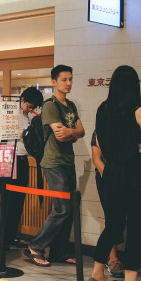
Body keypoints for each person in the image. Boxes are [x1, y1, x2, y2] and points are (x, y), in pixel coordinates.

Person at [89, 65, 141, 281]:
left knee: (113, 225)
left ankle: (97, 273)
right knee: (136, 228)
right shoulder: (139, 111)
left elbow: (100, 141)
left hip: (110, 173)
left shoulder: (101, 109)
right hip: (133, 174)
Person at [25, 65, 85, 266]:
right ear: (54, 82)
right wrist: (73, 131)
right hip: (53, 162)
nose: (68, 83)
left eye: (70, 79)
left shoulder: (71, 106)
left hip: (68, 161)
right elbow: (60, 134)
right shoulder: (50, 105)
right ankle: (36, 246)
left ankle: (58, 252)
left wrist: (73, 132)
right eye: (64, 80)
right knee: (62, 209)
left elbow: (81, 130)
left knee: (70, 208)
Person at [0, 87, 43, 249]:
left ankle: (12, 236)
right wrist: (21, 133)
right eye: (30, 106)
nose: (31, 109)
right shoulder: (9, 111)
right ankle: (0, 238)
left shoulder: (28, 117)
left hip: (22, 160)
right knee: (7, 200)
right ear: (22, 100)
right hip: (7, 157)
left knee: (19, 201)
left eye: (34, 107)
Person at [91, 130, 124, 278]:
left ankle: (110, 259)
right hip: (107, 176)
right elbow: (96, 159)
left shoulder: (126, 126)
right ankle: (111, 259)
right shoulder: (100, 129)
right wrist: (112, 178)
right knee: (113, 218)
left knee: (120, 219)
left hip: (124, 176)